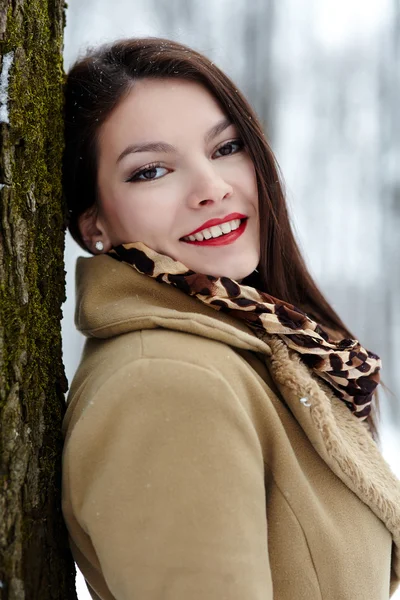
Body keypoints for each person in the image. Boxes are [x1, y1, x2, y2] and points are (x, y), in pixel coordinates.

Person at [61, 37, 400, 600]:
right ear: (93, 222)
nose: (212, 189)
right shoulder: (168, 385)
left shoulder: (250, 349)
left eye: (225, 148)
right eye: (150, 171)